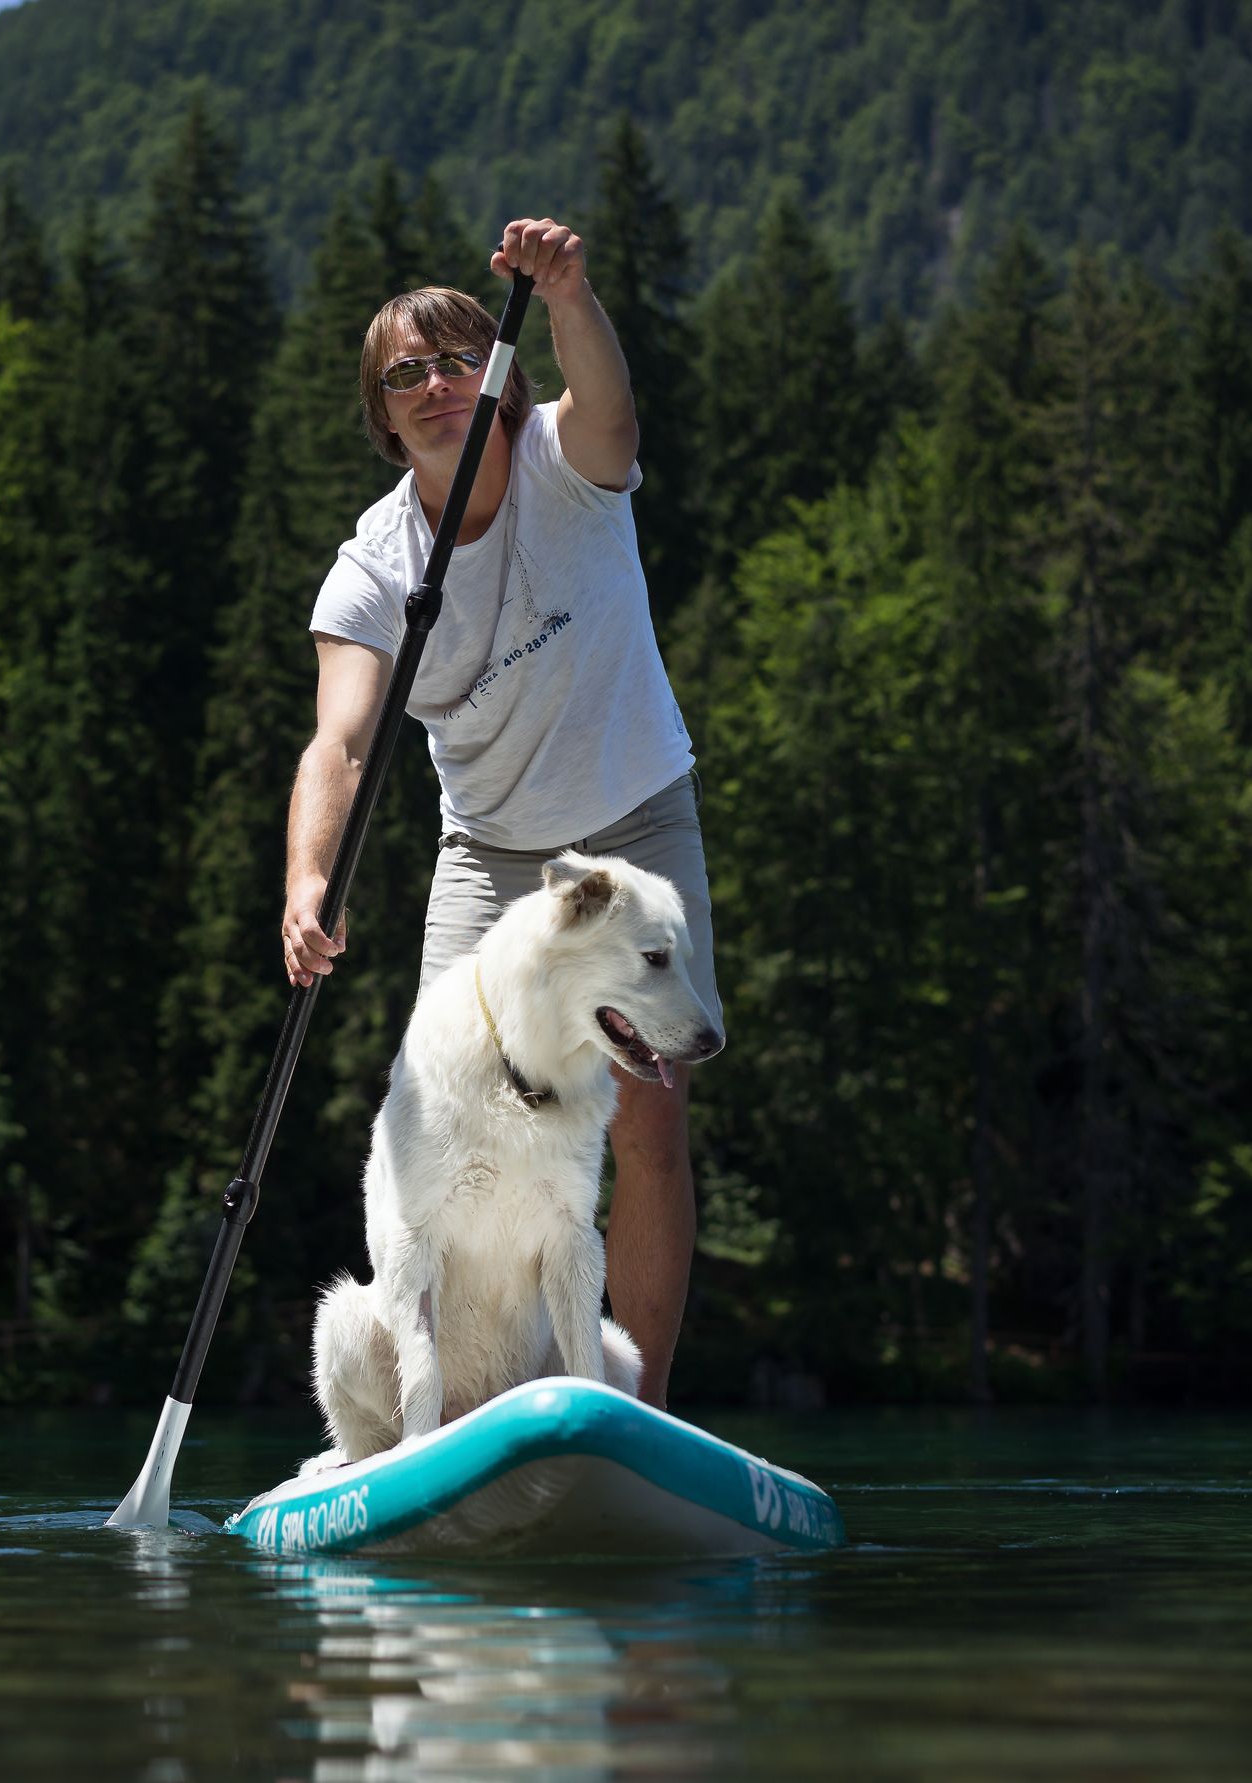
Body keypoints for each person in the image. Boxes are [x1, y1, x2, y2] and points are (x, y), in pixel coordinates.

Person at [281, 217, 721, 1408]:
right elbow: (341, 737)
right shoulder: (372, 565)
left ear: (505, 375)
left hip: (631, 820)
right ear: (380, 415)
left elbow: (613, 412)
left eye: (458, 359)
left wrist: (567, 290)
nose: (434, 385)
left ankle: (636, 1410)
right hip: (488, 855)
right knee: (444, 1109)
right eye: (403, 375)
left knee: (643, 1111)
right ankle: (448, 1407)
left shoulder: (563, 460)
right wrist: (306, 883)